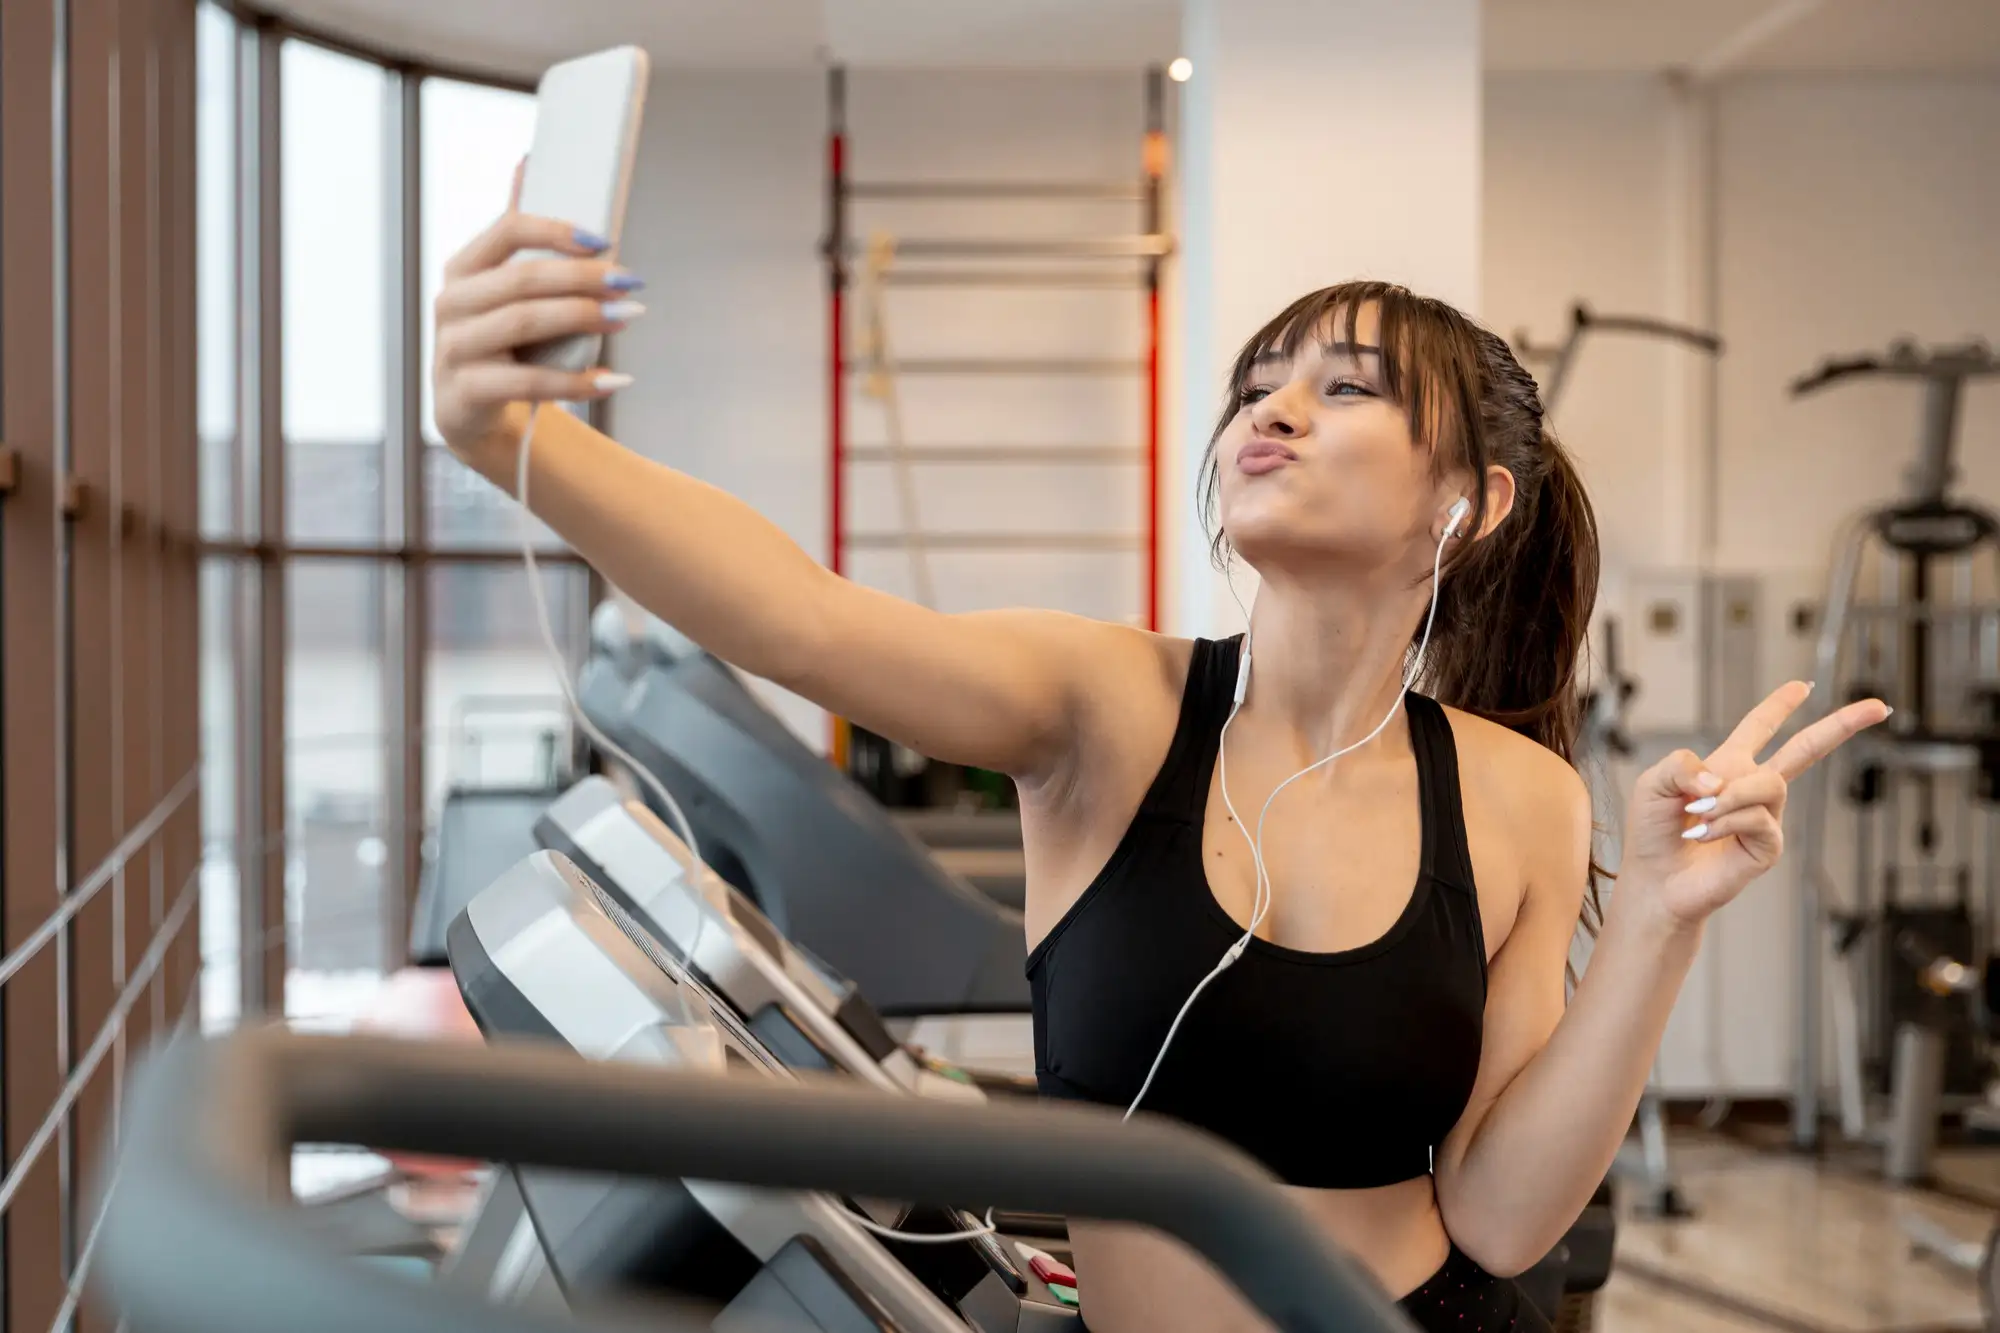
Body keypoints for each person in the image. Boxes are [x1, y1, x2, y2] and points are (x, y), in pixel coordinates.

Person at [430, 178, 1888, 1333]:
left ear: (1472, 502)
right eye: (1260, 381)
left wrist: (1653, 930)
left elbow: (1506, 1225)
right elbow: (804, 619)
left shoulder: (1517, 795)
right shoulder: (1105, 709)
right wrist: (519, 446)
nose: (1277, 405)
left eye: (1350, 385)